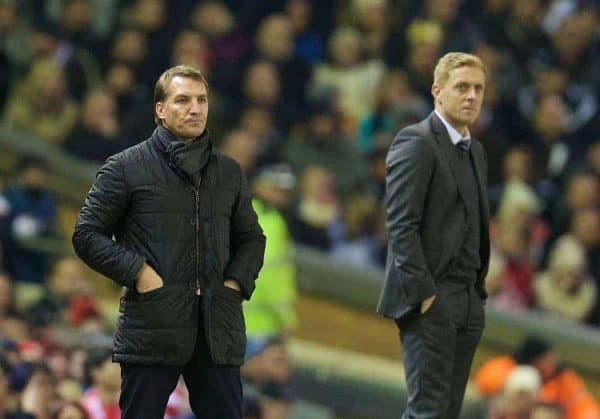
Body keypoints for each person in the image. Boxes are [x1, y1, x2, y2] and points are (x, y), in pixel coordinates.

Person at [72, 65, 266, 419]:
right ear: (160, 110)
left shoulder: (229, 172)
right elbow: (86, 234)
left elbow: (252, 238)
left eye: (201, 100)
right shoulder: (125, 167)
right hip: (152, 325)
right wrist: (140, 273)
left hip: (216, 329)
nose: (195, 108)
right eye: (183, 100)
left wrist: (234, 283)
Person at [377, 52, 490, 418]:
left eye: (478, 88)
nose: (471, 96)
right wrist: (424, 294)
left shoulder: (477, 152)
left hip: (468, 299)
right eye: (462, 87)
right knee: (428, 411)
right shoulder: (417, 141)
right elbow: (400, 224)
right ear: (437, 92)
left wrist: (476, 293)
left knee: (445, 413)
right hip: (433, 296)